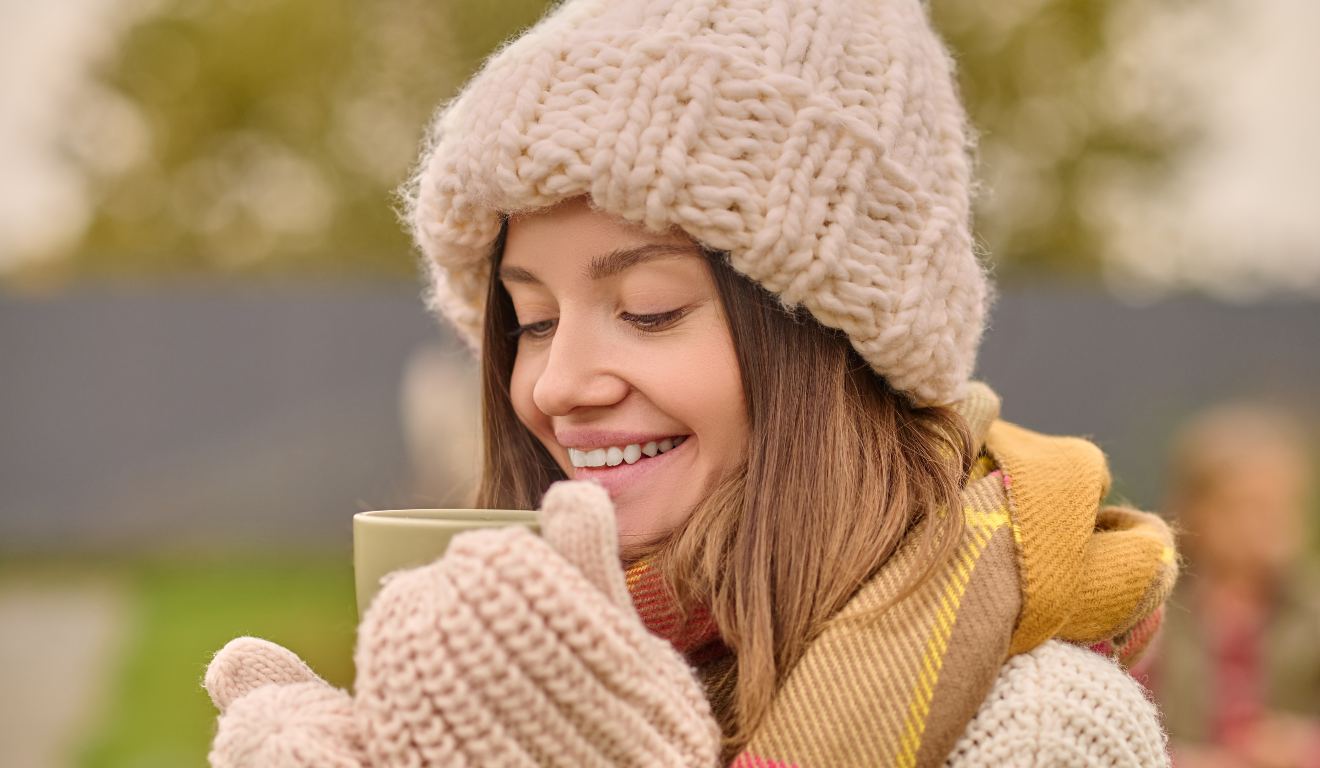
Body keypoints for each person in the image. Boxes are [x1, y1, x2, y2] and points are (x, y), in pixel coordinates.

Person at [201, 0, 1180, 765]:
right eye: (532, 321)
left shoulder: (1038, 730)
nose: (558, 384)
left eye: (650, 308)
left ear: (836, 347)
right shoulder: (526, 661)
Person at [1150, 404, 1320, 768]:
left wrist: (1303, 747)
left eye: (1280, 509)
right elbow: (1119, 720)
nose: (1262, 527)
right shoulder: (1153, 612)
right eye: (1244, 508)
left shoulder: (1311, 609)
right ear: (1194, 512)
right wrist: (1178, 759)